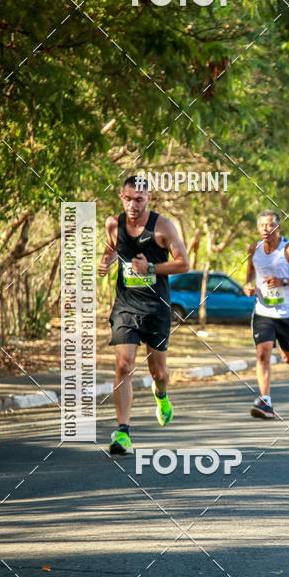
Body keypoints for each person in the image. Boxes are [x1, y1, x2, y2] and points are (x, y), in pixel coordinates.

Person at [98, 175, 190, 454]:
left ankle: (161, 394)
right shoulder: (113, 224)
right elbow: (114, 248)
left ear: (149, 199)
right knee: (124, 365)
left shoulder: (163, 227)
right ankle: (123, 432)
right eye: (128, 198)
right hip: (126, 306)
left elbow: (183, 264)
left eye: (139, 199)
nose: (133, 204)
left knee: (158, 372)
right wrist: (105, 261)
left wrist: (150, 268)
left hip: (156, 308)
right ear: (121, 196)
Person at [244, 210, 289, 418]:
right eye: (262, 225)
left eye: (270, 225)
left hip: (286, 313)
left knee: (285, 355)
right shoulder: (254, 248)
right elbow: (250, 272)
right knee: (262, 354)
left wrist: (283, 281)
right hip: (263, 311)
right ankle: (266, 402)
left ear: (278, 228)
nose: (266, 229)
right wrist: (248, 285)